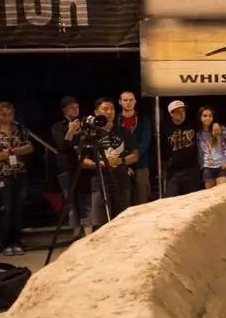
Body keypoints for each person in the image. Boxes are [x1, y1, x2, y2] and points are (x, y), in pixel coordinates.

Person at [0, 102, 33, 256]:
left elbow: (29, 147)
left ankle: (17, 242)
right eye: (3, 114)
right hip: (2, 174)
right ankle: (6, 243)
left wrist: (11, 151)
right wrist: (17, 151)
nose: (7, 117)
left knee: (18, 209)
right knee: (6, 209)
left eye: (10, 114)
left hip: (19, 172)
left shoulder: (20, 130)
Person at [85, 97, 137, 228]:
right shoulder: (91, 134)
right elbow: (83, 160)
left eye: (112, 109)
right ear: (96, 112)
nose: (109, 112)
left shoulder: (124, 131)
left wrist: (121, 160)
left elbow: (135, 155)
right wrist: (100, 164)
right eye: (105, 109)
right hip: (100, 183)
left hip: (122, 182)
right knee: (100, 225)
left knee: (123, 223)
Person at [51, 96, 92, 237]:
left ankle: (88, 231)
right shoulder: (58, 127)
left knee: (85, 200)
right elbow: (62, 145)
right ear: (64, 110)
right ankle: (76, 232)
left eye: (77, 106)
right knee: (71, 202)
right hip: (67, 168)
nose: (75, 109)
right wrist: (71, 130)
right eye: (71, 107)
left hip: (83, 167)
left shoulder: (85, 123)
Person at [117, 91, 152, 205]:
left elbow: (145, 142)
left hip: (140, 164)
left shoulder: (143, 119)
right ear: (120, 102)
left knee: (141, 198)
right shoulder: (116, 120)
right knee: (123, 199)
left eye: (131, 100)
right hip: (120, 164)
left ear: (135, 101)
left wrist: (133, 157)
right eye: (125, 100)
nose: (128, 102)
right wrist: (124, 160)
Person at [162, 100, 200, 196]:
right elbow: (163, 149)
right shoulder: (166, 128)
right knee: (171, 197)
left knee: (192, 198)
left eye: (183, 111)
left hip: (192, 169)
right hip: (175, 170)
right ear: (171, 114)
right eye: (178, 112)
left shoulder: (192, 124)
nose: (182, 114)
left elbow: (207, 121)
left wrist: (216, 123)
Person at [197, 106, 226, 187]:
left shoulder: (221, 129)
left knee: (222, 193)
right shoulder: (198, 134)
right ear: (200, 118)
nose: (207, 118)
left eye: (210, 116)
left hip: (221, 167)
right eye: (205, 116)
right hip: (207, 168)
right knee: (210, 194)